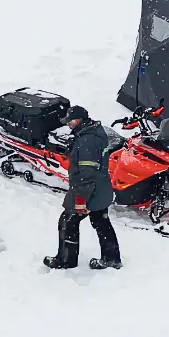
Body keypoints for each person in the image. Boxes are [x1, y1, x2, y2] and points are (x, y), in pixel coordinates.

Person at [44, 106, 122, 270]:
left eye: (71, 121)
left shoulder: (87, 140)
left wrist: (81, 200)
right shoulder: (93, 131)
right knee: (101, 222)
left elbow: (87, 173)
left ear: (79, 120)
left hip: (90, 191)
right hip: (100, 188)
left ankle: (66, 261)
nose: (69, 125)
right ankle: (111, 258)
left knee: (67, 222)